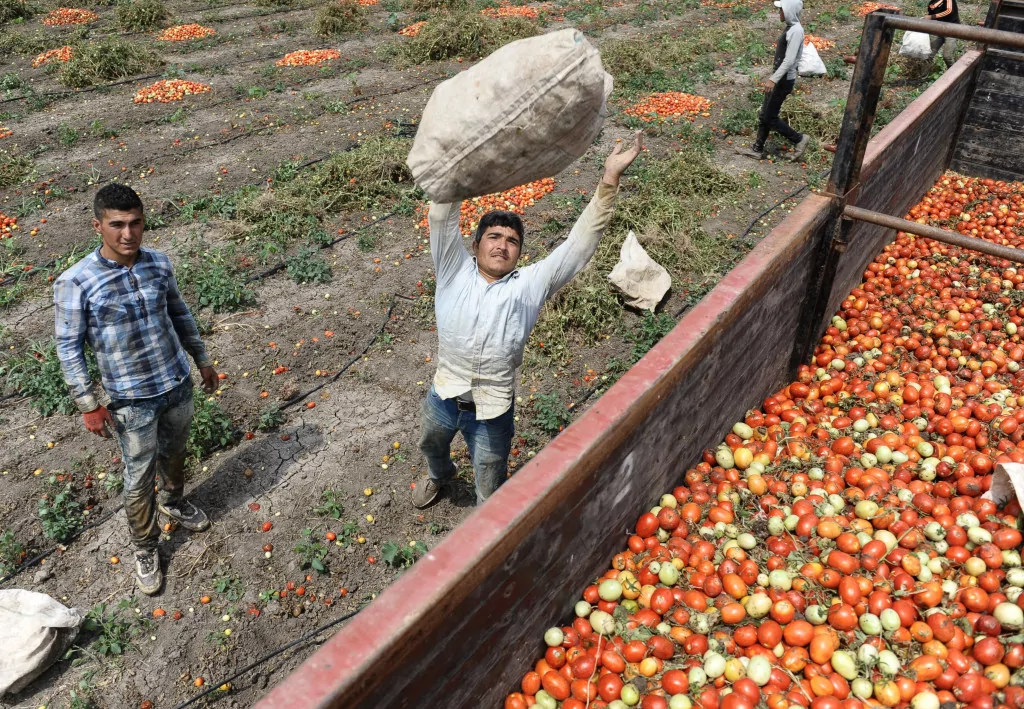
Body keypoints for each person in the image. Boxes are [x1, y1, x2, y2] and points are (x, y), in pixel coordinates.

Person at [412, 133, 644, 508]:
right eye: (493, 237)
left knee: (490, 471)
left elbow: (578, 245)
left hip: (492, 408)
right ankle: (440, 476)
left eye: (511, 241)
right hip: (444, 393)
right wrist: (459, 162)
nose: (501, 245)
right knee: (430, 442)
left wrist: (609, 179)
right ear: (476, 245)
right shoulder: (453, 270)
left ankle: (489, 524)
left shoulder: (529, 285)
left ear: (520, 253)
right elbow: (440, 215)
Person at [54, 183, 218, 596]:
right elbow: (69, 348)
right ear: (98, 226)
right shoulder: (77, 281)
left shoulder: (158, 264)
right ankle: (145, 546)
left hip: (175, 382)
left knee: (176, 451)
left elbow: (180, 315)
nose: (128, 234)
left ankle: (175, 501)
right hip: (131, 399)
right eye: (117, 225)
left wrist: (201, 359)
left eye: (136, 223)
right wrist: (88, 403)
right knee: (138, 474)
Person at [736, 0, 811, 162]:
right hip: (779, 79)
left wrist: (773, 79)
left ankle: (799, 139)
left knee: (770, 117)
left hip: (783, 81)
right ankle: (757, 148)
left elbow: (789, 60)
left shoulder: (796, 31)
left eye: (782, 10)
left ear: (790, 11)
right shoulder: (791, 28)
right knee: (765, 113)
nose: (779, 13)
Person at [926, 0, 959, 70]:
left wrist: (932, 17)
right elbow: (930, 15)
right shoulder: (932, 3)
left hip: (952, 30)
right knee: (928, 55)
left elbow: (949, 11)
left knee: (947, 57)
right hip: (939, 30)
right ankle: (922, 78)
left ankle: (953, 75)